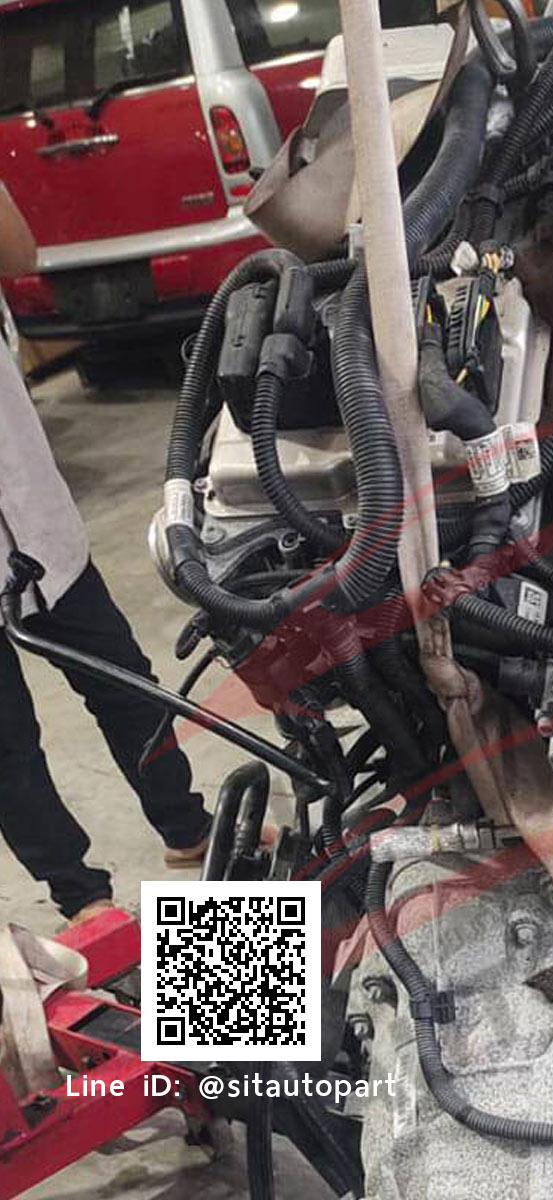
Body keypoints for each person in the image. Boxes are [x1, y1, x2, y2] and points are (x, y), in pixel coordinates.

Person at [0, 181, 213, 924]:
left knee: (125, 681)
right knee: (7, 741)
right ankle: (83, 899)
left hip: (34, 519)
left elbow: (19, 252)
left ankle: (188, 829)